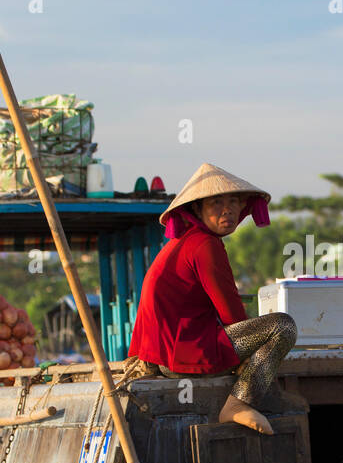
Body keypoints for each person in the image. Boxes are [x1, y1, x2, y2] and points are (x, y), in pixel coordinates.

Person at [126, 162, 296, 435]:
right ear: (197, 209)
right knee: (283, 326)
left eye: (233, 202)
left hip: (167, 356)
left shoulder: (187, 241)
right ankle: (239, 403)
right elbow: (233, 316)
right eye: (216, 203)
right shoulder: (205, 245)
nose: (227, 209)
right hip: (181, 356)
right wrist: (252, 359)